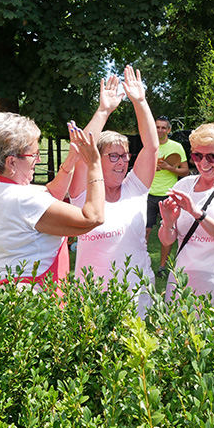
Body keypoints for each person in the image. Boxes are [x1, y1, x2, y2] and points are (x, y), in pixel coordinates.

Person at [69, 65, 158, 316]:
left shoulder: (135, 187)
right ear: (97, 157)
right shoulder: (83, 192)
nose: (123, 162)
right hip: (93, 296)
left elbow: (151, 148)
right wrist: (104, 110)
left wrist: (140, 102)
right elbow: (79, 153)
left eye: (125, 155)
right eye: (114, 156)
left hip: (137, 292)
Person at [0, 113, 104, 282]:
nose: (38, 160)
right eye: (34, 154)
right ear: (12, 162)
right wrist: (94, 164)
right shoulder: (23, 199)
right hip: (33, 296)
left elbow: (49, 195)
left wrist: (71, 159)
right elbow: (92, 217)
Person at [158, 123, 214, 307]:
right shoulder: (183, 186)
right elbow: (167, 241)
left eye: (211, 157)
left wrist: (196, 213)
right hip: (181, 283)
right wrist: (168, 223)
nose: (203, 162)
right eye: (197, 156)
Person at [146, 116, 189, 277]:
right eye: (157, 127)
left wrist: (169, 168)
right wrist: (153, 169)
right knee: (145, 230)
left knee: (168, 231)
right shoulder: (149, 146)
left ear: (169, 130)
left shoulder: (176, 147)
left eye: (163, 128)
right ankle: (141, 261)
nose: (160, 130)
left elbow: (184, 171)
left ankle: (162, 267)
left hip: (168, 195)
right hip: (149, 194)